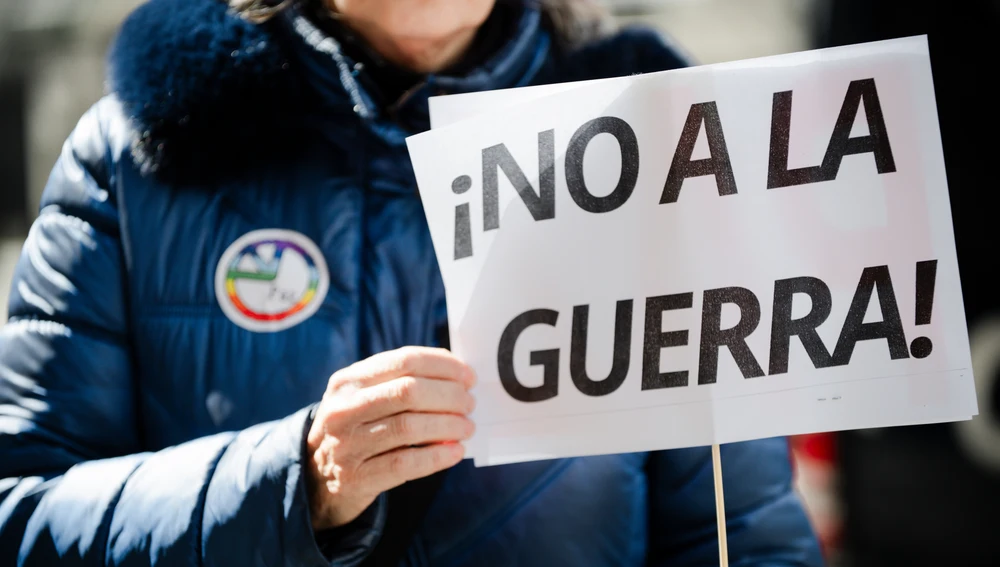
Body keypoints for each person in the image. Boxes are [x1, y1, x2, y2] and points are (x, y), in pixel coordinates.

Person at [0, 0, 823, 564]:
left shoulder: (662, 152)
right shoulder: (133, 159)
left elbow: (743, 534)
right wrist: (293, 481)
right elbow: (21, 514)